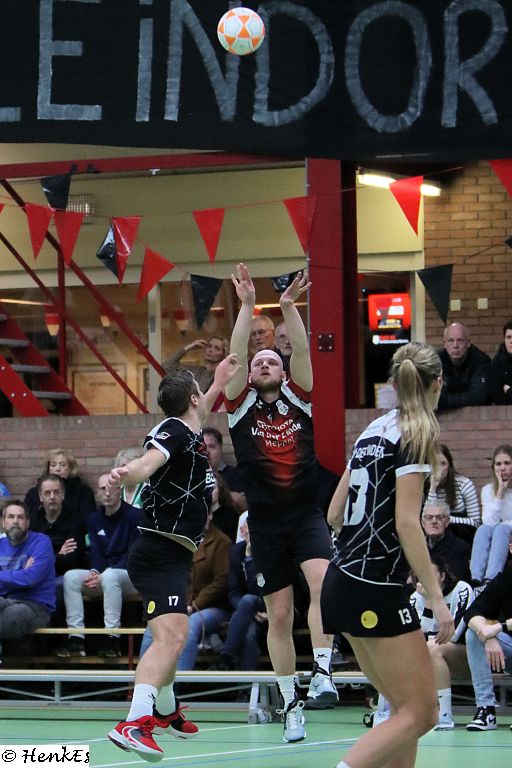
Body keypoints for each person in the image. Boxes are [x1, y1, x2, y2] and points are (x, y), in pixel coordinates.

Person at [322, 341, 454, 768]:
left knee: (402, 707)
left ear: (394, 385)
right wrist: (437, 599)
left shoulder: (371, 431)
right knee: (424, 712)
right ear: (437, 384)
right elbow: (407, 523)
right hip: (375, 584)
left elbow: (334, 512)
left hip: (342, 578)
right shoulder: (418, 434)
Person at [107, 355, 239, 762]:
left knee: (174, 634)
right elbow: (150, 461)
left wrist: (218, 382)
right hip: (158, 552)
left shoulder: (190, 428)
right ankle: (135, 722)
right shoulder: (173, 430)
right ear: (192, 400)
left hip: (174, 554)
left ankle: (165, 708)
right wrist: (130, 472)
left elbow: (201, 410)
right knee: (171, 639)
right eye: (201, 394)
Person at [225, 263, 336, 742]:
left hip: (306, 514)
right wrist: (248, 307)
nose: (266, 365)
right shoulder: (239, 407)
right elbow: (234, 356)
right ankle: (291, 704)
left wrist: (289, 307)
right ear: (250, 376)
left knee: (323, 583)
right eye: (259, 363)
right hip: (266, 524)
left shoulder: (300, 397)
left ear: (284, 372)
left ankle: (324, 671)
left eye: (273, 360)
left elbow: (303, 350)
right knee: (281, 614)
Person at [372, 556, 473, 731]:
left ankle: (445, 716)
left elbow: (455, 634)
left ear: (443, 576)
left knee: (434, 649)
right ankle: (384, 711)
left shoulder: (462, 590)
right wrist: (428, 602)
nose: (426, 580)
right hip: (428, 654)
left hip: (463, 656)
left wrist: (433, 603)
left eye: (431, 575)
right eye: (422, 576)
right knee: (394, 651)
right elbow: (418, 635)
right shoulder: (416, 597)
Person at [56, 474, 141, 659]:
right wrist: (95, 572)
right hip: (106, 576)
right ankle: (76, 638)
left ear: (119, 490)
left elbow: (133, 556)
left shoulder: (135, 516)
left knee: (110, 575)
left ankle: (112, 639)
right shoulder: (94, 518)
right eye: (103, 489)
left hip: (132, 576)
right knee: (71, 577)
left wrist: (103, 575)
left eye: (112, 488)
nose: (107, 493)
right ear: (98, 492)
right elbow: (97, 554)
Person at [139, 504, 231, 670]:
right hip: (179, 603)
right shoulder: (178, 540)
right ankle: (143, 682)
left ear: (210, 516)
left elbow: (221, 582)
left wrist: (193, 606)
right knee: (153, 626)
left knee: (190, 625)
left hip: (213, 607)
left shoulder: (221, 542)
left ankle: (180, 681)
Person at [464, 540, 512, 731]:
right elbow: (472, 612)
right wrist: (487, 635)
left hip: (503, 632)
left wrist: (499, 627)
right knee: (473, 634)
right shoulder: (505, 577)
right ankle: (486, 710)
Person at [0, 500, 55, 662]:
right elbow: (23, 578)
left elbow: (30, 579)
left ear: (28, 522)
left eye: (20, 517)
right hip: (5, 601)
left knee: (14, 615)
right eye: (10, 517)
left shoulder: (41, 542)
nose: (15, 521)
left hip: (34, 606)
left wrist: (15, 577)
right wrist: (20, 574)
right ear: (3, 522)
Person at [213, 517, 268, 671]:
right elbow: (233, 591)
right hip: (247, 611)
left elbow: (262, 588)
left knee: (248, 599)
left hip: (274, 604)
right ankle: (245, 685)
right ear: (243, 532)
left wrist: (251, 559)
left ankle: (226, 656)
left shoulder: (272, 551)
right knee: (248, 635)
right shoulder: (236, 552)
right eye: (249, 530)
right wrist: (249, 610)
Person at [470, 444, 512, 586]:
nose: (502, 468)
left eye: (507, 463)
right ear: (493, 468)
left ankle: (491, 579)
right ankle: (475, 579)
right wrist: (500, 492)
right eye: (498, 464)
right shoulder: (487, 490)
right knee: (483, 529)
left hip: (506, 532)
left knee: (501, 529)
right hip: (498, 534)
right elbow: (488, 522)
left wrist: (504, 525)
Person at [30, 474, 86, 578]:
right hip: (37, 575)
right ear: (41, 497)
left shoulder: (75, 520)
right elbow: (29, 556)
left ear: (63, 494)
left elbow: (70, 560)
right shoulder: (33, 519)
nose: (52, 497)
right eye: (47, 493)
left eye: (56, 492)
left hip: (63, 576)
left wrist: (42, 558)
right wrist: (59, 554)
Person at [426, 443, 480, 542]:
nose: (439, 469)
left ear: (449, 466)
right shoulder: (423, 485)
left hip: (461, 534)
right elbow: (426, 519)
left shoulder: (464, 484)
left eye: (443, 464)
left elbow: (476, 523)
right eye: (434, 464)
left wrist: (445, 519)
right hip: (433, 536)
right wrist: (432, 489)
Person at [24, 448, 96, 523]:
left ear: (70, 469)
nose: (57, 469)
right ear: (48, 469)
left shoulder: (83, 492)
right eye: (53, 465)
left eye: (63, 465)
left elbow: (87, 518)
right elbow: (28, 518)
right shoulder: (34, 493)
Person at [438, 322, 491, 411]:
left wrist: (444, 401)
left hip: (477, 415)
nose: (455, 345)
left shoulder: (481, 361)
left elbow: (479, 397)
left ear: (468, 343)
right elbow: (431, 397)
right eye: (450, 340)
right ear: (444, 344)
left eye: (460, 340)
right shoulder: (437, 361)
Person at [421, 502, 471, 583]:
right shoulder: (415, 547)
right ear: (423, 523)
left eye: (439, 517)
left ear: (447, 522)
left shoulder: (460, 548)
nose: (434, 521)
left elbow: (457, 580)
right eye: (429, 517)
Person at [162, 336, 228, 397]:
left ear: (223, 354)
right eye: (209, 346)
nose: (211, 350)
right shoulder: (195, 371)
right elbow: (166, 367)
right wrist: (189, 347)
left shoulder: (223, 376)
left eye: (217, 349)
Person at [202, 427, 246, 514]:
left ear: (220, 449)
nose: (207, 451)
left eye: (211, 446)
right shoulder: (192, 474)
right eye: (203, 447)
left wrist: (221, 491)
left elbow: (245, 504)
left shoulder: (234, 474)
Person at [490, 319, 512, 405]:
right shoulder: (497, 364)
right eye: (509, 337)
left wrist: (509, 391)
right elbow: (498, 398)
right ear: (504, 339)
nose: (511, 341)